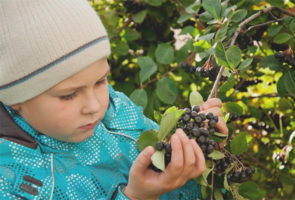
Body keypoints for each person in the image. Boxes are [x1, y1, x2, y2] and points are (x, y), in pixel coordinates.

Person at [0, 0, 228, 199]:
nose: (95, 106)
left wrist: (201, 146)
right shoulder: (11, 181)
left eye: (100, 81)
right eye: (69, 95)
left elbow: (172, 166)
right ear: (16, 98)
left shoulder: (117, 109)